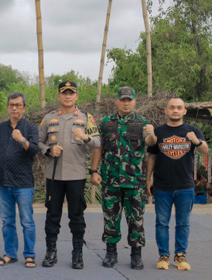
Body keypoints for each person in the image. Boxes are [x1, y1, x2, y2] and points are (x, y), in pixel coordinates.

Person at [90, 87, 157, 270]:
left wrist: (151, 134)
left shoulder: (142, 123)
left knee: (136, 219)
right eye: (123, 99)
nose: (126, 103)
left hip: (135, 182)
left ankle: (136, 255)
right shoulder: (105, 123)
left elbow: (150, 143)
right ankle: (111, 252)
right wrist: (93, 171)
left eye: (130, 99)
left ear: (135, 101)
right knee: (110, 218)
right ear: (117, 101)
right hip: (110, 180)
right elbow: (99, 147)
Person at [38, 80, 100, 269]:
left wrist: (86, 137)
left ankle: (77, 253)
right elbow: (38, 142)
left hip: (76, 176)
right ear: (58, 96)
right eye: (64, 93)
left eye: (71, 93)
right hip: (54, 175)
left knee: (77, 216)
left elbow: (98, 142)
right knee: (52, 215)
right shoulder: (48, 118)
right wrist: (48, 150)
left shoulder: (86, 118)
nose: (67, 96)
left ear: (76, 96)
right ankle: (51, 252)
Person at [146, 97, 208, 271]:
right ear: (166, 110)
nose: (175, 110)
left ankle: (180, 256)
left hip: (185, 186)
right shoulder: (159, 131)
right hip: (163, 186)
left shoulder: (193, 130)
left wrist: (195, 141)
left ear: (184, 111)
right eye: (172, 107)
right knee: (161, 223)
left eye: (179, 108)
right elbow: (151, 156)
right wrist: (147, 179)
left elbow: (205, 150)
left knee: (183, 223)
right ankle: (163, 255)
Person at [0, 92, 39, 268]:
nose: (14, 108)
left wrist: (22, 140)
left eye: (18, 105)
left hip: (24, 183)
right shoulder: (1, 128)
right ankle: (10, 253)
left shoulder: (30, 128)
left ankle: (29, 255)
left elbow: (35, 150)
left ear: (24, 108)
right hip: (3, 182)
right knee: (7, 221)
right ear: (7, 107)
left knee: (27, 221)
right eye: (11, 104)